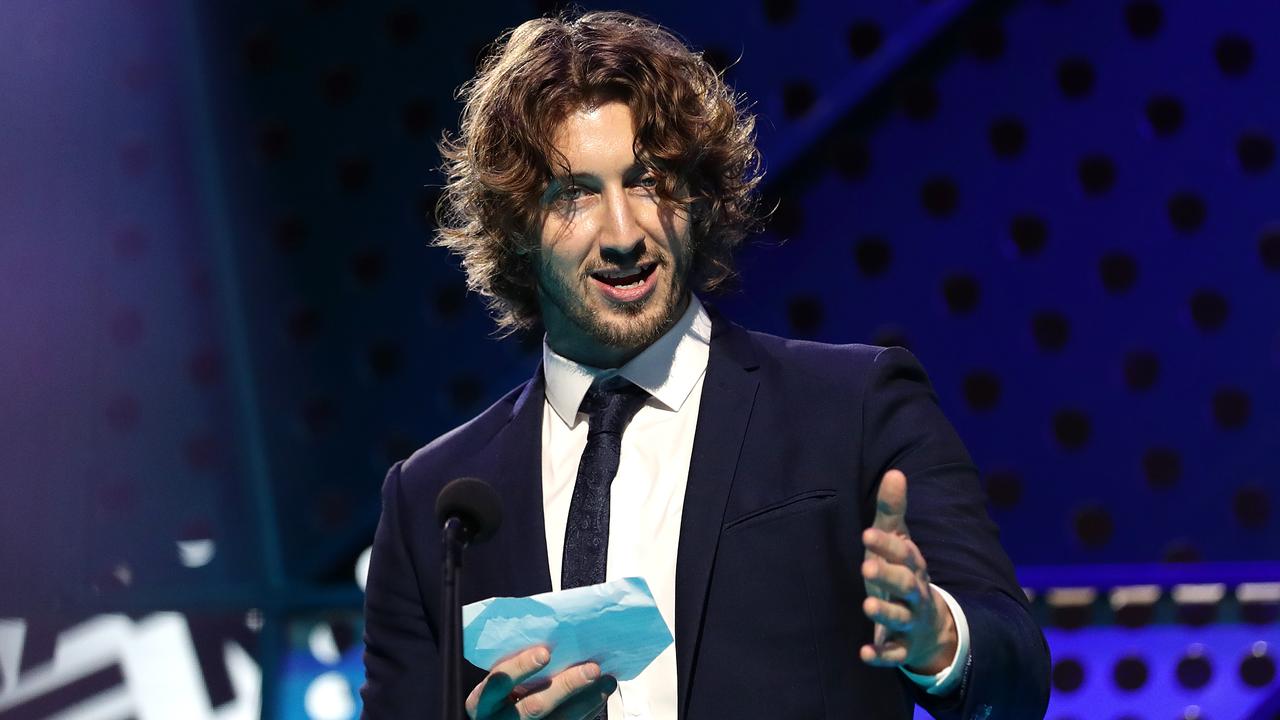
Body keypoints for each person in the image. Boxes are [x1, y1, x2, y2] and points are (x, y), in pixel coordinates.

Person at [360, 10, 1050, 720]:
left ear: (698, 195)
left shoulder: (854, 407)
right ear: (517, 228)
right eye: (576, 195)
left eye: (650, 180)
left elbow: (1017, 672)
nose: (624, 233)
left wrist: (941, 639)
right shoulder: (432, 501)